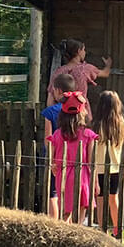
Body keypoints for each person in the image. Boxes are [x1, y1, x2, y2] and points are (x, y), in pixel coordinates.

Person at [47, 91, 98, 224]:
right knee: (81, 208)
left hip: (63, 174)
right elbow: (92, 162)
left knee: (65, 210)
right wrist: (96, 182)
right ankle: (77, 230)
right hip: (82, 175)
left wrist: (54, 167)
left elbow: (52, 160)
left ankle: (65, 231)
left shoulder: (57, 134)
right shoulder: (88, 135)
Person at [92, 90, 124, 237]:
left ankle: (103, 230)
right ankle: (117, 228)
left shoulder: (96, 126)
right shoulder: (121, 125)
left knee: (101, 201)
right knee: (114, 199)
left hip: (100, 169)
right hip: (115, 168)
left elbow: (92, 152)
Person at [46, 38, 112, 119]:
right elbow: (105, 73)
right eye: (83, 49)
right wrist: (108, 65)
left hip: (63, 116)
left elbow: (50, 102)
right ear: (78, 51)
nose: (85, 52)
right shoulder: (85, 69)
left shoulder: (58, 72)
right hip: (82, 114)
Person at [41, 71, 76, 217]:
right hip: (73, 157)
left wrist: (50, 158)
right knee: (69, 191)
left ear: (59, 91)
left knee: (53, 192)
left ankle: (55, 224)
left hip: (56, 157)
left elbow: (48, 137)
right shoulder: (77, 111)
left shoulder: (50, 112)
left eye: (54, 90)